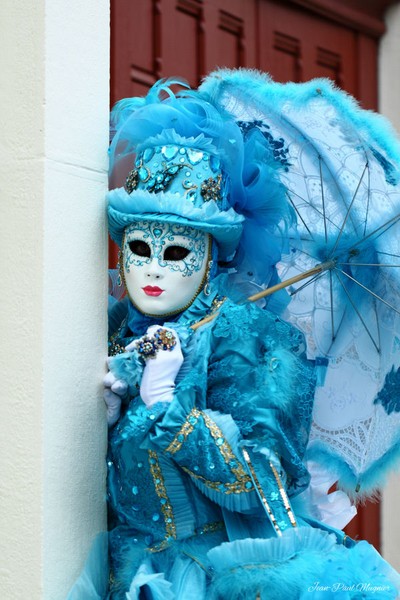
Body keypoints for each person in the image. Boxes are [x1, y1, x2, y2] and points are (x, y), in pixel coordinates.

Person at [68, 77, 400, 599]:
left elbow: (262, 482)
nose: (153, 267)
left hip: (214, 579)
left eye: (176, 250)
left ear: (212, 255)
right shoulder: (109, 333)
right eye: (138, 246)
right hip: (127, 575)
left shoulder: (255, 342)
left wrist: (168, 410)